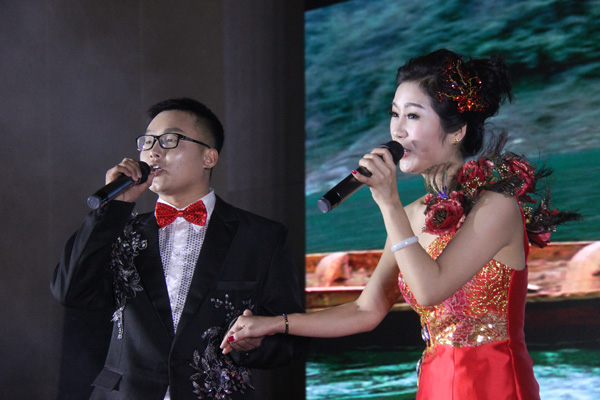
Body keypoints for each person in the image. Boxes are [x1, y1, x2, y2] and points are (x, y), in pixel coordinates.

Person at [220, 49, 579, 399]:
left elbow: (429, 290)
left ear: (456, 131)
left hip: (495, 386)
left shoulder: (496, 206)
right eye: (395, 114)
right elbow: (366, 310)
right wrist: (275, 323)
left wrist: (388, 202)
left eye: (413, 115)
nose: (398, 131)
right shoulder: (408, 215)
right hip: (435, 385)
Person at [51, 98, 306, 400]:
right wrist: (112, 210)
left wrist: (254, 345)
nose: (154, 151)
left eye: (169, 140)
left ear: (208, 157)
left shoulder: (261, 236)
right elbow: (70, 291)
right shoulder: (119, 229)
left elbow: (289, 339)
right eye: (148, 142)